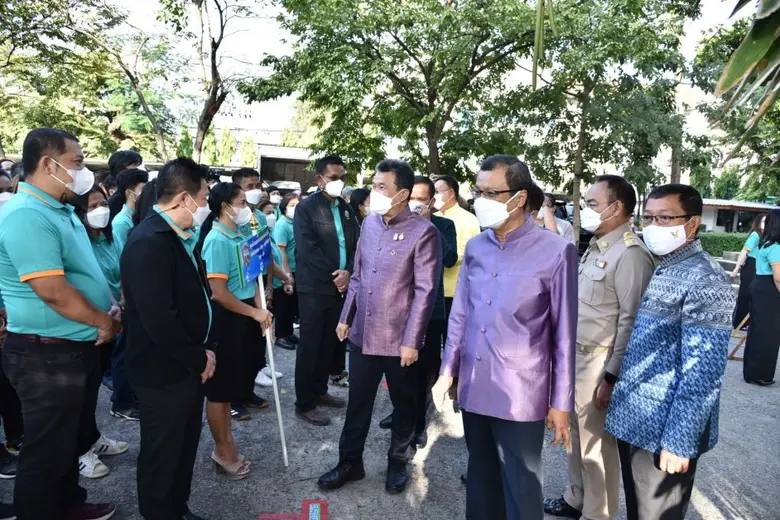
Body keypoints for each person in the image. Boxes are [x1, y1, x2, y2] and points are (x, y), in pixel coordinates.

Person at [431, 155, 577, 520]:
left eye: (492, 192)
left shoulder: (556, 251)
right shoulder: (478, 247)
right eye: (478, 192)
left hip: (521, 392)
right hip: (476, 382)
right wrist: (448, 370)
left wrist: (560, 403)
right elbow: (461, 313)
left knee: (520, 483)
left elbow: (563, 335)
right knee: (480, 476)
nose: (481, 200)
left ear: (519, 197)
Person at [0, 128, 121, 520]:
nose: (82, 173)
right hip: (45, 354)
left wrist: (108, 307)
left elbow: (81, 273)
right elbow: (52, 289)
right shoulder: (25, 215)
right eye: (77, 163)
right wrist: (103, 320)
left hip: (72, 347)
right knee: (46, 448)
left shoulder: (60, 208)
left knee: (66, 440)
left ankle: (68, 504)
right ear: (48, 164)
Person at [605, 184, 735, 520]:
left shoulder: (706, 277)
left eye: (665, 218)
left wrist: (679, 440)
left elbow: (703, 371)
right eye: (648, 217)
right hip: (638, 420)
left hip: (665, 430)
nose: (654, 226)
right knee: (640, 510)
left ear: (691, 224)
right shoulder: (667, 265)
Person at [318, 159, 442, 494]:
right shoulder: (370, 224)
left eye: (381, 187)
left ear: (402, 193)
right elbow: (357, 276)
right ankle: (350, 463)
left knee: (403, 405)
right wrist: (346, 318)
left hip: (399, 340)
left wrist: (412, 340)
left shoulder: (424, 233)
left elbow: (425, 292)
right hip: (362, 335)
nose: (374, 192)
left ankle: (397, 463)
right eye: (373, 185)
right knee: (358, 403)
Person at [544, 176, 654, 520]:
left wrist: (611, 377)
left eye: (592, 205)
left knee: (597, 449)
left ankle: (598, 514)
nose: (585, 211)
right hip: (574, 359)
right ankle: (576, 498)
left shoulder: (631, 254)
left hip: (598, 363)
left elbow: (631, 321)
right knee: (575, 439)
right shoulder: (597, 246)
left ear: (616, 207)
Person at [121, 157, 215, 520]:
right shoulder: (149, 241)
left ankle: (178, 508)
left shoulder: (180, 237)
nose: (205, 204)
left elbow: (196, 299)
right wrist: (198, 356)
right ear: (182, 199)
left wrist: (208, 349)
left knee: (183, 446)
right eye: (203, 197)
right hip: (163, 370)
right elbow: (160, 319)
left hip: (187, 365)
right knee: (162, 452)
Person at [199, 182, 274, 479]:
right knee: (219, 391)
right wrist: (254, 311)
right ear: (225, 207)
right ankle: (222, 449)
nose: (247, 208)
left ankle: (227, 444)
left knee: (230, 385)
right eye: (242, 203)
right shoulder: (217, 240)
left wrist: (260, 310)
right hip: (225, 318)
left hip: (243, 313)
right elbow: (218, 292)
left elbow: (252, 274)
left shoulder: (240, 235)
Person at [378, 176, 457, 448]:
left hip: (430, 311)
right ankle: (400, 414)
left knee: (425, 370)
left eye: (421, 200)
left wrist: (429, 224)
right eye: (412, 198)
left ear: (432, 202)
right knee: (398, 370)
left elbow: (448, 259)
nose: (415, 204)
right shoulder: (393, 224)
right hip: (398, 310)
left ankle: (420, 424)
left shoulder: (444, 225)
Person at [293, 155, 360, 426]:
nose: (339, 181)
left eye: (342, 176)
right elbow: (308, 249)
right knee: (310, 345)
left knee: (329, 343)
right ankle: (304, 403)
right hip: (315, 287)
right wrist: (336, 277)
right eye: (333, 177)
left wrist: (350, 272)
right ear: (320, 179)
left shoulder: (345, 208)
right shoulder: (306, 209)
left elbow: (357, 243)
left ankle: (320, 391)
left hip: (339, 287)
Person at [74, 187, 130, 479]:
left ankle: (92, 438)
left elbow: (120, 273)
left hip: (113, 316)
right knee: (78, 393)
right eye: (92, 205)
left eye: (103, 202)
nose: (100, 209)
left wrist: (120, 304)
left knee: (93, 385)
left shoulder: (109, 238)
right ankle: (79, 451)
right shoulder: (78, 241)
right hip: (88, 324)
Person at [230, 168, 285, 392]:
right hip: (240, 291)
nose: (255, 191)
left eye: (257, 186)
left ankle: (247, 390)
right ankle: (235, 396)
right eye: (249, 187)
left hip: (260, 286)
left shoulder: (259, 217)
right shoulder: (232, 218)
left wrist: (271, 284)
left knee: (256, 341)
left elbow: (266, 253)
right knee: (237, 346)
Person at [107, 168, 149, 422]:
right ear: (129, 192)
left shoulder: (136, 219)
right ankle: (121, 401)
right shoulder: (122, 223)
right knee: (125, 350)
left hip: (135, 295)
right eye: (143, 189)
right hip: (128, 297)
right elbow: (124, 262)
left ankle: (131, 395)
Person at [433, 175, 480, 319]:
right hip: (432, 289)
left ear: (451, 193)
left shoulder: (468, 219)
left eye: (437, 191)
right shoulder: (431, 216)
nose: (434, 196)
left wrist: (438, 258)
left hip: (454, 290)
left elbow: (470, 252)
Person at [743, 208, 780, 386]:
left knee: (757, 330)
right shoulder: (776, 247)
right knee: (768, 333)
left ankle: (752, 371)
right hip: (769, 290)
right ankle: (762, 374)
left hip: (759, 285)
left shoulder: (765, 244)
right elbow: (778, 277)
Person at [272, 193, 300, 350]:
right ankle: (281, 336)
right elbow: (280, 251)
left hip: (295, 269)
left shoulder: (295, 223)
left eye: (297, 205)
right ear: (284, 208)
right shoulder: (282, 225)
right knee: (283, 305)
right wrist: (286, 275)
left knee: (290, 305)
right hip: (285, 270)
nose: (295, 208)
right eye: (292, 205)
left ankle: (289, 333)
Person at [731, 214, 766, 329]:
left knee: (754, 296)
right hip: (751, 266)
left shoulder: (767, 237)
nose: (765, 224)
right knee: (745, 295)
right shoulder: (755, 235)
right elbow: (744, 252)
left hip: (760, 267)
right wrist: (736, 268)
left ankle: (748, 323)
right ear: (757, 223)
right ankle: (738, 323)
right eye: (763, 221)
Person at [110, 168, 149, 255]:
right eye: (144, 189)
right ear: (130, 194)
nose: (148, 193)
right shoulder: (120, 224)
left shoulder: (145, 215)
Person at [107, 150, 143, 221]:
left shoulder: (141, 194)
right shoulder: (115, 202)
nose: (140, 169)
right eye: (135, 164)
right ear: (121, 169)